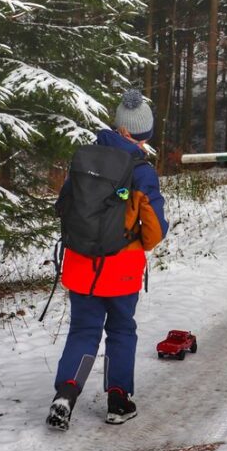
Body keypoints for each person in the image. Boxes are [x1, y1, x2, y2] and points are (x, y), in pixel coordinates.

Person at [46, 89, 169, 430]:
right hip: (122, 270)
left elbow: (64, 206)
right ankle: (118, 399)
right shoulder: (141, 170)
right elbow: (155, 229)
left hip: (81, 264)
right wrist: (139, 242)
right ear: (142, 134)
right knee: (120, 330)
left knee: (83, 330)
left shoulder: (85, 157)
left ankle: (66, 393)